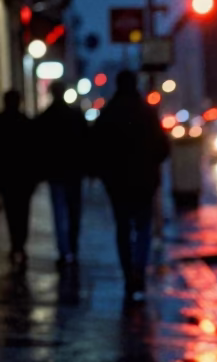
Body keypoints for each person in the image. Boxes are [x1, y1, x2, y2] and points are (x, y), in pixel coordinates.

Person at [91, 69, 169, 301]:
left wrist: (103, 173)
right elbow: (162, 147)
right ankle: (139, 271)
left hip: (118, 184)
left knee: (123, 228)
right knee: (143, 227)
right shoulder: (147, 113)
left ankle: (128, 274)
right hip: (144, 181)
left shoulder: (109, 113)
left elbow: (95, 147)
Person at [35, 80, 88, 267]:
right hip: (73, 172)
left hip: (55, 172)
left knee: (59, 212)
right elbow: (85, 143)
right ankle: (72, 247)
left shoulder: (45, 117)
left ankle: (63, 249)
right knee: (74, 211)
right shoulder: (74, 115)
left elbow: (39, 147)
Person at [0, 89, 36, 268]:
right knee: (22, 212)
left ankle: (16, 243)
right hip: (23, 177)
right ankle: (20, 243)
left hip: (7, 176)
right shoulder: (26, 122)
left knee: (11, 211)